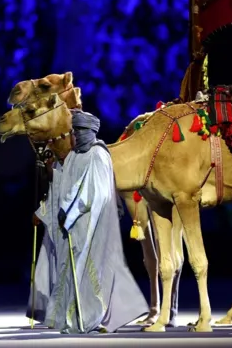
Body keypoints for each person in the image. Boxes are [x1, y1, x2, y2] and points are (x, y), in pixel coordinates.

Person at [27, 109, 148, 334]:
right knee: (70, 271)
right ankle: (69, 319)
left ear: (85, 132)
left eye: (75, 132)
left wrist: (69, 212)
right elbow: (61, 188)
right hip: (71, 224)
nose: (71, 137)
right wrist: (44, 209)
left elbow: (93, 192)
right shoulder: (73, 156)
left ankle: (90, 319)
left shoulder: (98, 154)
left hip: (91, 224)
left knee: (92, 272)